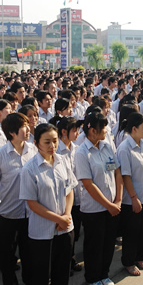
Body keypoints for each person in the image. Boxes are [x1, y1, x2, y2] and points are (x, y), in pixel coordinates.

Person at [20, 123, 78, 285]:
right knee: (41, 276)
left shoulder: (62, 161)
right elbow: (32, 203)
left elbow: (70, 190)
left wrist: (66, 216)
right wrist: (58, 219)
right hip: (42, 232)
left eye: (55, 141)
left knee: (62, 273)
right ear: (37, 143)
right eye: (47, 142)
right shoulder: (29, 169)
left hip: (65, 228)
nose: (52, 146)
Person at [0, 113, 36, 285]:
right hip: (7, 214)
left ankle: (29, 279)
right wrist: (0, 198)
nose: (28, 129)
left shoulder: (33, 151)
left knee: (28, 251)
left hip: (30, 212)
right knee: (7, 255)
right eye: (24, 126)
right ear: (12, 132)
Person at [74, 113, 123, 285]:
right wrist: (109, 205)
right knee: (95, 244)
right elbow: (88, 184)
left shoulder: (107, 146)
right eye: (103, 128)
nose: (106, 131)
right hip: (94, 209)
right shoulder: (82, 153)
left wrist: (117, 200)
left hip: (112, 206)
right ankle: (93, 277)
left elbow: (117, 172)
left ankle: (104, 273)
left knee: (108, 242)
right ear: (92, 131)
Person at [117, 113, 143, 276]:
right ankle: (128, 261)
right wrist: (133, 198)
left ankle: (139, 257)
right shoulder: (125, 148)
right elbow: (126, 176)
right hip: (132, 199)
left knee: (142, 230)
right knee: (131, 232)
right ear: (134, 129)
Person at [51, 116, 83, 274]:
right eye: (74, 130)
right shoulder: (56, 150)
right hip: (62, 200)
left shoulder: (76, 149)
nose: (77, 133)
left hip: (76, 198)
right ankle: (62, 265)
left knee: (74, 233)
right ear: (64, 132)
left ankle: (71, 260)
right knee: (61, 237)